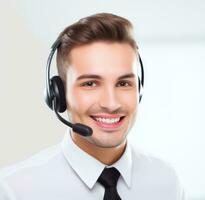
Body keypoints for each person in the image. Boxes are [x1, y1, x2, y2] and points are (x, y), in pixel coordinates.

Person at [0, 13, 184, 200]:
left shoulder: (167, 182)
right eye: (90, 84)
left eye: (123, 83)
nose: (111, 104)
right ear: (59, 94)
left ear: (140, 90)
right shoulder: (13, 190)